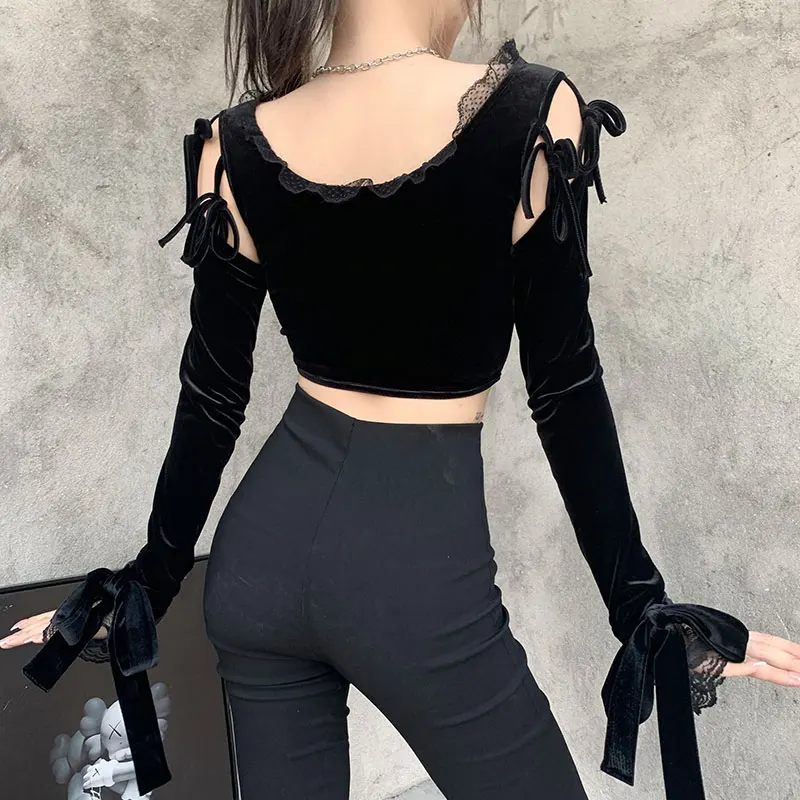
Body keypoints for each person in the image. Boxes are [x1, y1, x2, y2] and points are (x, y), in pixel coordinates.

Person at [3, 1, 799, 798]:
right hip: (412, 573)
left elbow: (213, 395)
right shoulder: (530, 113)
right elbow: (564, 387)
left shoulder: (234, 142)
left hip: (257, 569)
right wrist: (640, 607)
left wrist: (149, 581)